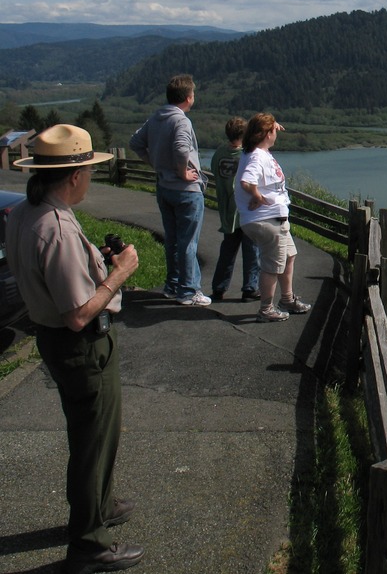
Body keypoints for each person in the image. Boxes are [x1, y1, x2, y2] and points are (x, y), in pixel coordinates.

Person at [6, 124, 144, 573]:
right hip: (82, 345)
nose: (90, 178)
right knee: (92, 441)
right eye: (87, 170)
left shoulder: (26, 214)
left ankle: (98, 505)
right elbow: (80, 313)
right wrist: (119, 271)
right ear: (74, 176)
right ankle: (89, 544)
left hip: (55, 341)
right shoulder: (57, 227)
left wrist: (96, 261)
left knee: (91, 435)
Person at [129, 74, 210, 306]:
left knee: (172, 240)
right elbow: (181, 148)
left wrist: (156, 163)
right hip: (186, 190)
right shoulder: (182, 121)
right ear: (188, 97)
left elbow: (135, 142)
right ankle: (189, 290)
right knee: (188, 242)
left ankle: (173, 285)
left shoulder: (157, 117)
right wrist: (183, 171)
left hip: (164, 187)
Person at [235, 113, 312, 322]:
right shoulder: (257, 157)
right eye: (273, 131)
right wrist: (258, 197)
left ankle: (286, 299)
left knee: (288, 256)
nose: (276, 133)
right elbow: (246, 181)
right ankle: (266, 309)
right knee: (271, 266)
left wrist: (273, 124)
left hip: (275, 219)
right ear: (266, 134)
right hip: (266, 220)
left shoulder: (256, 150)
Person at [210, 117, 260, 301]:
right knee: (252, 250)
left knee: (227, 251)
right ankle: (250, 288)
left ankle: (219, 288)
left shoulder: (219, 153)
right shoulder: (247, 155)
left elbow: (214, 170)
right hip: (246, 211)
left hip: (228, 211)